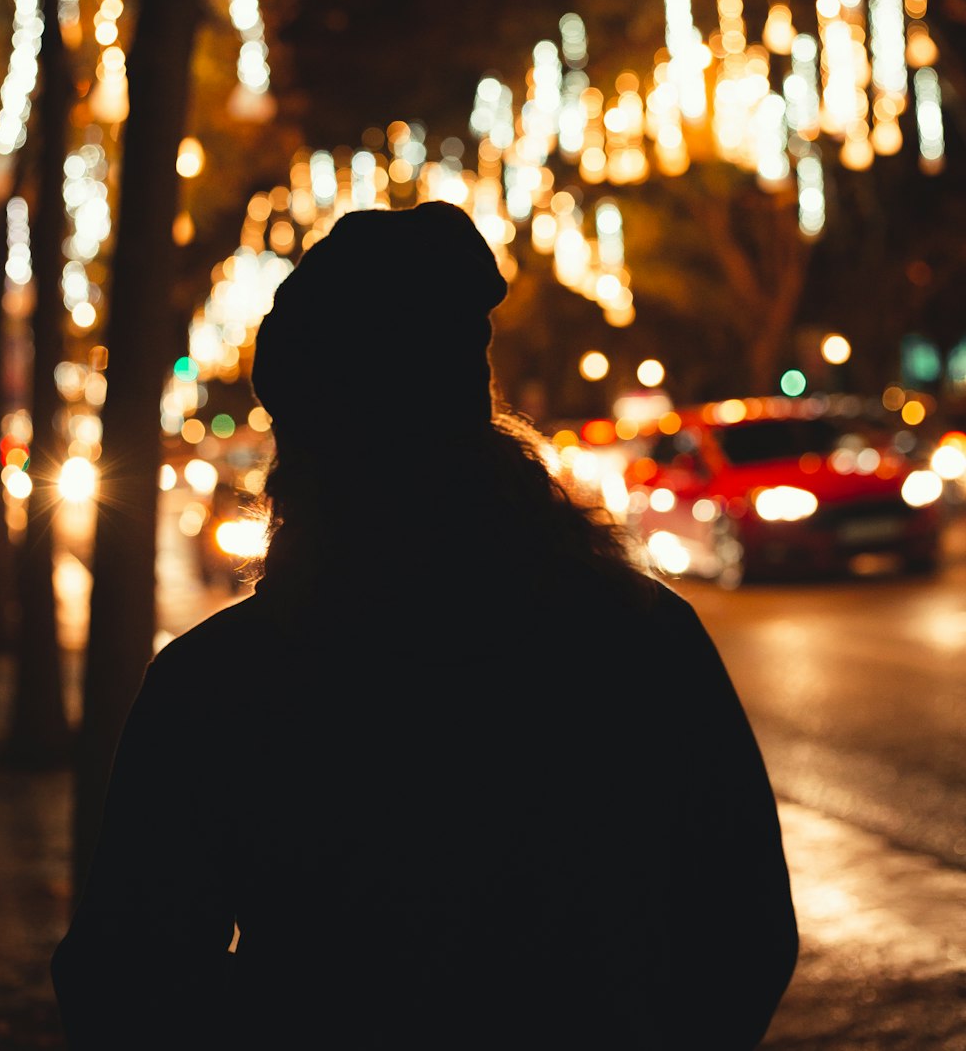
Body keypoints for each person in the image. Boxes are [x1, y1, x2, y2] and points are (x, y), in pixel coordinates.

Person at [53, 201, 798, 1049]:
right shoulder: (640, 636)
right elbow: (745, 930)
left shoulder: (220, 682)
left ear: (303, 449)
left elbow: (125, 982)